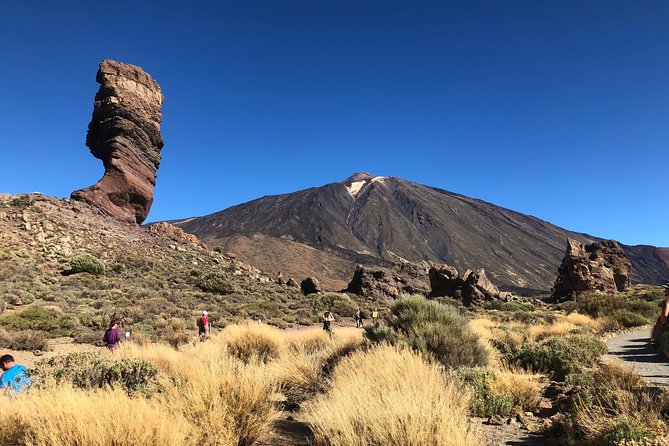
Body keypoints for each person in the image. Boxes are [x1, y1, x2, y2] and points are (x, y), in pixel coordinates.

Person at [652, 284, 669, 357]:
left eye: (667, 289)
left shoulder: (667, 301)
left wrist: (664, 325)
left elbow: (664, 314)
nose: (664, 290)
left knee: (667, 351)